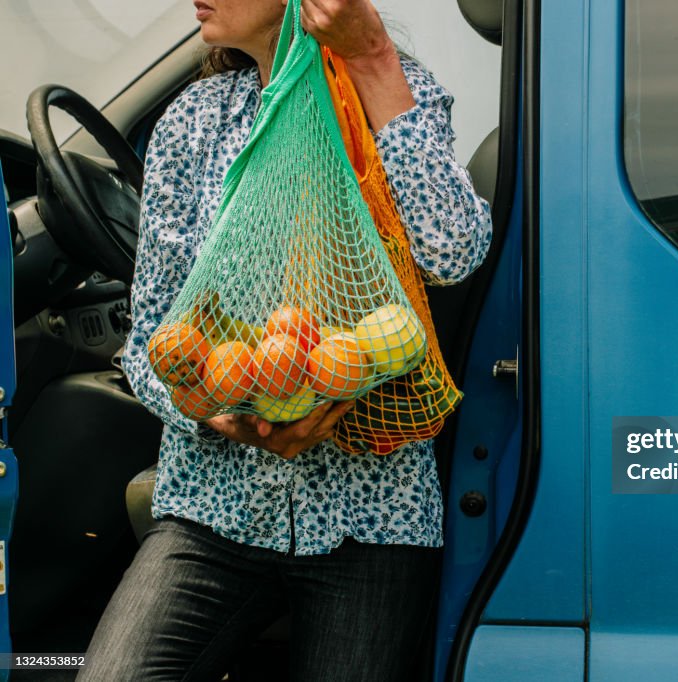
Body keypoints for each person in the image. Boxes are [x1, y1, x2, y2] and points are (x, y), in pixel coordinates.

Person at [77, 0, 492, 679]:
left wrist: (374, 59)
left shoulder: (391, 97)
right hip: (214, 510)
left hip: (371, 515)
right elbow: (152, 337)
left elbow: (453, 250)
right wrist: (213, 409)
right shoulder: (193, 123)